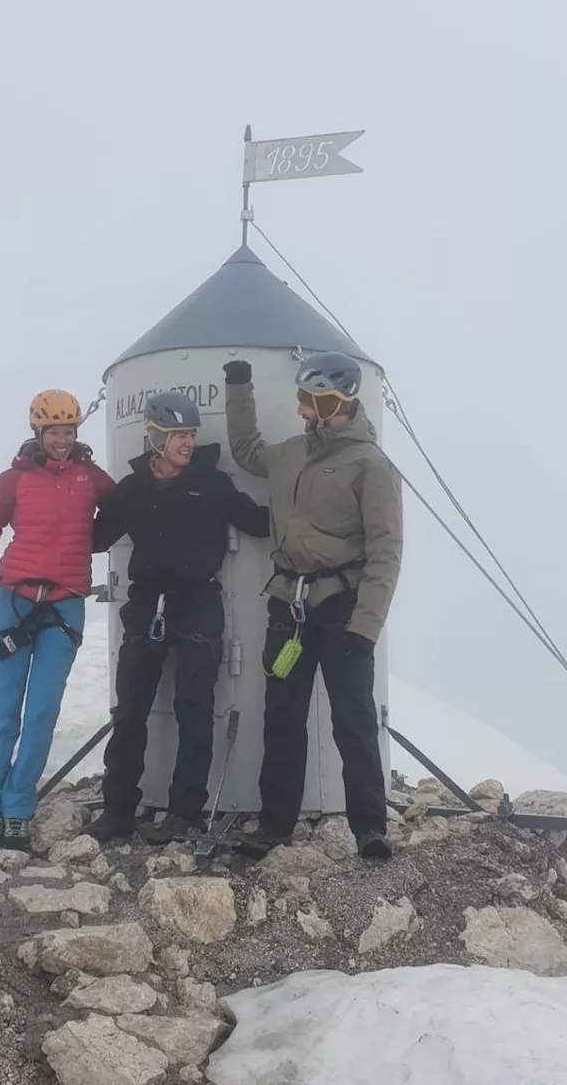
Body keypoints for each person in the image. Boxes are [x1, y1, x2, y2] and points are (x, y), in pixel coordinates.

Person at [224, 353, 402, 860]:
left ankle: (370, 828)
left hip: (343, 607)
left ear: (334, 402)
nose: (301, 411)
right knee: (282, 716)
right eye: (301, 400)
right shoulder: (291, 454)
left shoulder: (371, 464)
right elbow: (245, 450)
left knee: (353, 719)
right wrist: (239, 387)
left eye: (310, 401)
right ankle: (275, 825)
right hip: (288, 603)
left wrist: (365, 627)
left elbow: (386, 551)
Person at [87, 391, 269, 845]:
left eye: (190, 434)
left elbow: (258, 522)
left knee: (194, 712)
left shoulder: (212, 483)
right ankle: (118, 810)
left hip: (197, 608)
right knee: (130, 711)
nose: (188, 442)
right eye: (178, 435)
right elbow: (93, 536)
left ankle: (185, 812)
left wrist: (308, 503)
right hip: (146, 607)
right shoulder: (130, 490)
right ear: (156, 437)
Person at [0, 389, 114, 851]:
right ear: (38, 432)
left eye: (70, 431)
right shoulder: (14, 480)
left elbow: (125, 510)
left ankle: (16, 810)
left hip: (64, 605)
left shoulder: (91, 478)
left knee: (41, 712)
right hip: (14, 602)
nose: (62, 440)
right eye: (54, 431)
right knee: (3, 713)